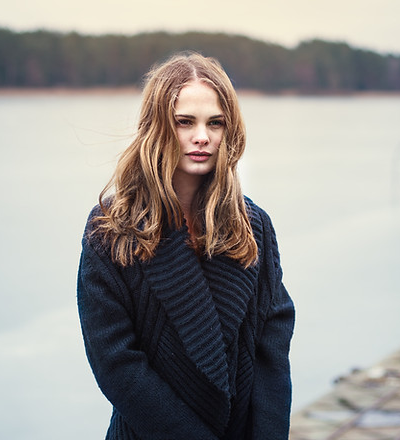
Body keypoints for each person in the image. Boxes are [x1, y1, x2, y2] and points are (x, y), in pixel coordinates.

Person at [76, 51, 295, 440]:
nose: (202, 137)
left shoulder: (253, 226)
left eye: (215, 123)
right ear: (156, 127)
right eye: (184, 122)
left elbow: (271, 349)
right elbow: (117, 364)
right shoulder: (111, 229)